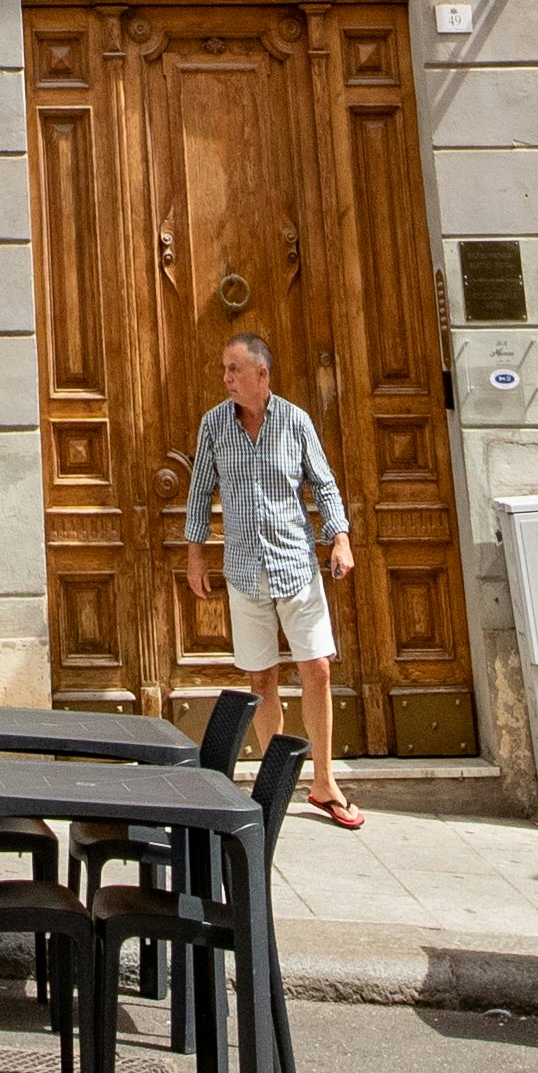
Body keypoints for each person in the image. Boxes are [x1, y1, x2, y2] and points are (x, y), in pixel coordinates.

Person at [179, 329, 363, 829]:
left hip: (297, 567)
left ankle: (324, 782)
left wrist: (339, 538)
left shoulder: (295, 422)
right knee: (261, 678)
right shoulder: (215, 425)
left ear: (261, 374)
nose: (226, 379)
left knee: (317, 668)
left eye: (233, 370)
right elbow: (199, 495)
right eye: (224, 370)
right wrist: (195, 556)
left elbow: (323, 484)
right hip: (243, 571)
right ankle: (274, 783)